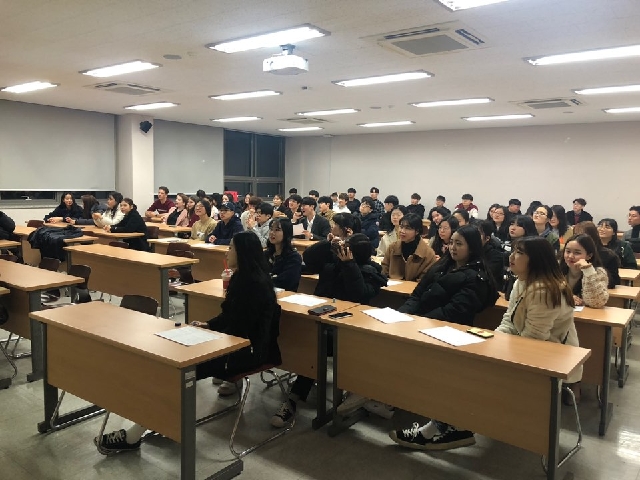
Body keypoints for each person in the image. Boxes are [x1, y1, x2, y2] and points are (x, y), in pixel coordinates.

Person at [96, 231, 280, 453]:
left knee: (179, 371)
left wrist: (209, 338)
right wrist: (208, 325)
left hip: (247, 352)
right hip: (231, 344)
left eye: (231, 247)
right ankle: (164, 422)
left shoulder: (254, 285)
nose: (227, 252)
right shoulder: (242, 279)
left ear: (243, 253)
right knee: (172, 363)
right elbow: (229, 318)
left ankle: (134, 436)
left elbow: (240, 329)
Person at [390, 225, 498, 450]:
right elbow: (418, 295)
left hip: (449, 335)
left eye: (459, 244)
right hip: (420, 326)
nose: (452, 247)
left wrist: (417, 323)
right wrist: (401, 316)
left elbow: (453, 311)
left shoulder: (477, 276)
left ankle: (440, 426)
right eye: (452, 243)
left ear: (472, 247)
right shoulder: (442, 265)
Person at [271, 232, 387, 428]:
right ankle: (298, 384)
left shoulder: (372, 272)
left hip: (343, 330)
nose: (341, 251)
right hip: (318, 320)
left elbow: (359, 294)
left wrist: (349, 265)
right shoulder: (332, 264)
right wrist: (327, 243)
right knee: (296, 331)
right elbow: (309, 259)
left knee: (316, 346)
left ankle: (293, 398)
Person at [496, 236, 582, 404]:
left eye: (519, 253)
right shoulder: (522, 281)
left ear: (536, 259)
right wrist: (495, 340)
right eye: (513, 251)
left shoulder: (544, 291)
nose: (511, 256)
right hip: (527, 347)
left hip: (549, 355)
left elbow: (534, 338)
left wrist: (503, 353)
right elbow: (509, 319)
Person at [382, 213, 437, 282]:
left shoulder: (428, 253)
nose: (402, 231)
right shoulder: (393, 248)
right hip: (391, 286)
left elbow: (425, 279)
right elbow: (384, 269)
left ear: (417, 231)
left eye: (407, 228)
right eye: (401, 227)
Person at [560, 234, 609, 308]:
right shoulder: (556, 270)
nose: (570, 256)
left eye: (577, 253)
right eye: (568, 251)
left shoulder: (598, 273)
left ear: (589, 256)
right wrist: (566, 298)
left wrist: (588, 270)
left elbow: (597, 302)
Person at [573, 221, 620, 288]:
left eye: (581, 236)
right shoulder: (569, 254)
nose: (577, 239)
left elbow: (613, 283)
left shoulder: (608, 255)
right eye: (575, 235)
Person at [265, 218, 302, 292]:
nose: (272, 233)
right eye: (271, 229)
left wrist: (266, 280)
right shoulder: (266, 254)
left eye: (277, 230)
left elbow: (286, 282)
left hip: (285, 294)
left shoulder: (293, 257)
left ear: (286, 233)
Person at [477, 220, 506, 290]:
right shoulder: (467, 251)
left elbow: (484, 277)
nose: (473, 237)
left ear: (487, 238)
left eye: (478, 234)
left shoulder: (496, 256)